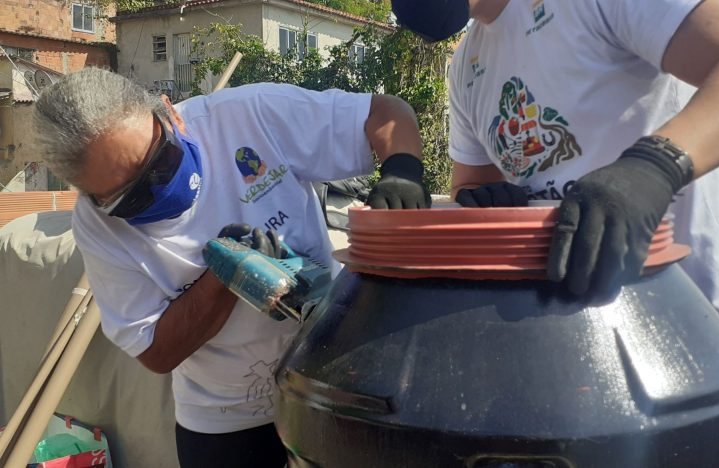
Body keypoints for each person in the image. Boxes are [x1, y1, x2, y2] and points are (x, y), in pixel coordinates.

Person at [392, 0, 719, 459]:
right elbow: (473, 180)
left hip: (704, 321)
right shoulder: (466, 63)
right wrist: (484, 201)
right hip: (574, 340)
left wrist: (654, 167)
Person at [33, 67, 430, 467]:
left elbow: (385, 113)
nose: (158, 189)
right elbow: (154, 351)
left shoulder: (248, 115)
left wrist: (402, 170)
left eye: (162, 163)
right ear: (92, 197)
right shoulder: (98, 227)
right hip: (227, 420)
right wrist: (225, 276)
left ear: (170, 114)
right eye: (132, 198)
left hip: (328, 387)